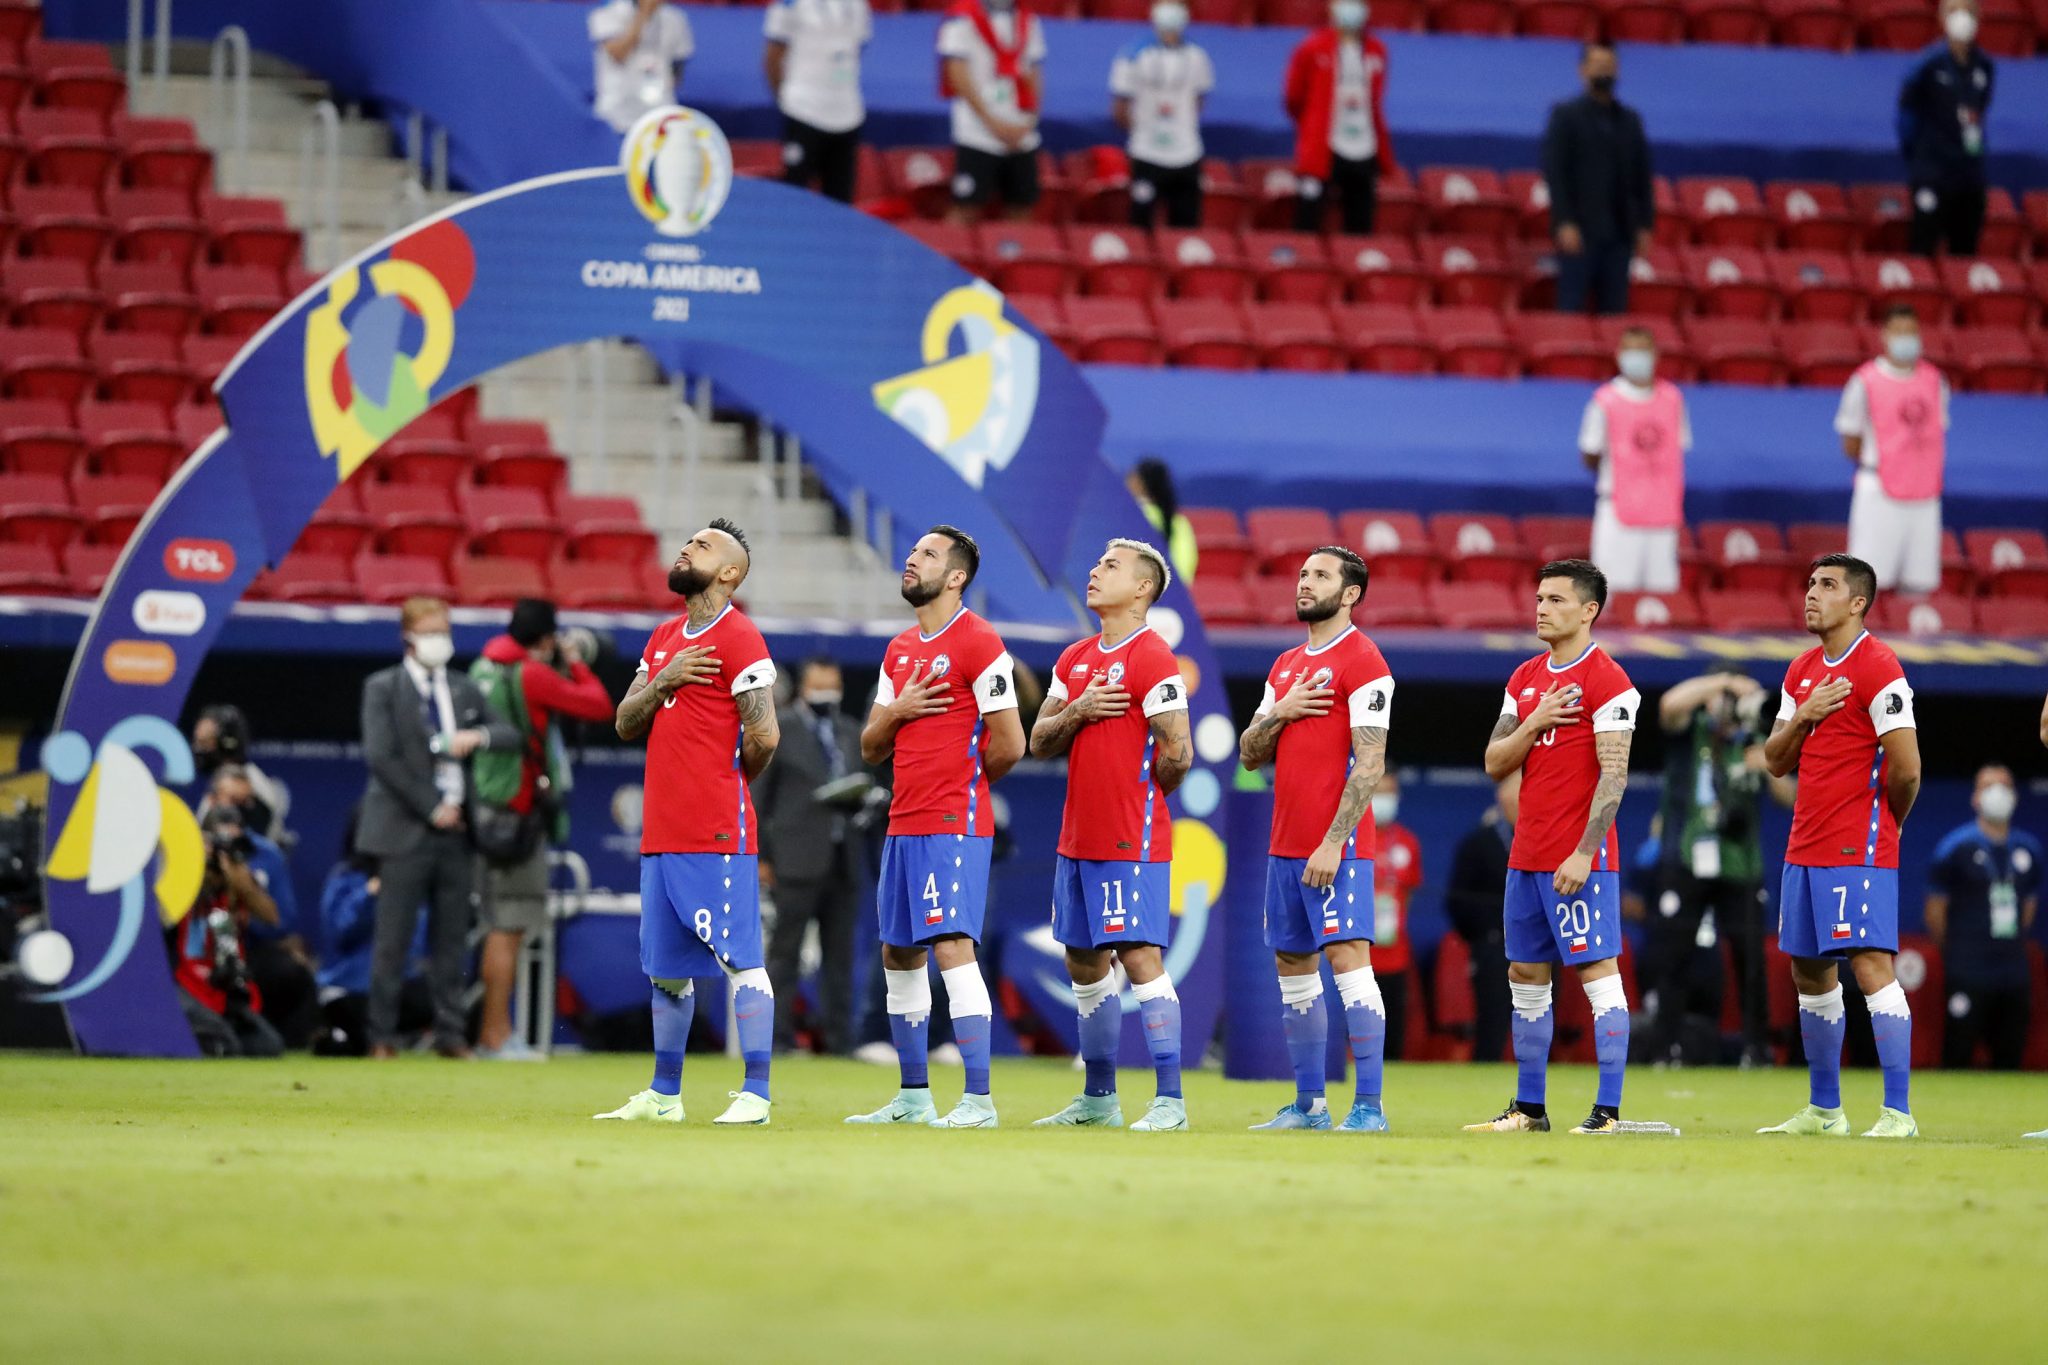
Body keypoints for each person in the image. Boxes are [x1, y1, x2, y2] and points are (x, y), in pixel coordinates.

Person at [596, 523, 782, 1126]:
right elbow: (625, 721)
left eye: (702, 547)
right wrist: (664, 679)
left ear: (730, 573)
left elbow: (765, 734)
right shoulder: (664, 637)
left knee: (740, 961)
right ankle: (665, 1095)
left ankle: (756, 1093)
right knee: (668, 971)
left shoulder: (740, 635)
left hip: (714, 833)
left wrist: (724, 785)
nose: (686, 550)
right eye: (688, 543)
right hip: (661, 833)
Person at [846, 527, 1026, 1127]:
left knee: (952, 946)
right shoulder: (899, 650)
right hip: (902, 822)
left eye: (926, 555)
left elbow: (1010, 743)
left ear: (956, 577)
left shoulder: (979, 643)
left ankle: (977, 1100)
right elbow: (872, 746)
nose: (910, 560)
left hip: (952, 822)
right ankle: (914, 1096)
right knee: (899, 952)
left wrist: (963, 789)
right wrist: (896, 712)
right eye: (912, 551)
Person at [1466, 559, 1639, 1135]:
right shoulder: (1524, 679)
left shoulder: (1608, 680)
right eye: (1539, 598)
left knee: (1596, 972)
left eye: (1557, 600)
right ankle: (1530, 1108)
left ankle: (1607, 1112)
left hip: (1576, 858)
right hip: (1527, 855)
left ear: (1589, 611)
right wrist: (1535, 716)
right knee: (1525, 972)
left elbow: (1614, 777)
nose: (1542, 608)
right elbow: (1494, 762)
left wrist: (1585, 852)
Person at [1029, 539, 1193, 1132]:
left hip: (1129, 837)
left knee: (1140, 955)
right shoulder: (1074, 659)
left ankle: (1170, 1102)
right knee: (1082, 959)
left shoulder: (1152, 657)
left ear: (1143, 589)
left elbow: (1179, 751)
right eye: (1096, 562)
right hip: (1076, 836)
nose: (1095, 571)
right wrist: (1079, 711)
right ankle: (1098, 1099)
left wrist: (1139, 799)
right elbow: (1039, 740)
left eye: (1111, 566)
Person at [1759, 554, 1923, 1139]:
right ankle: (1826, 1111)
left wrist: (1886, 827)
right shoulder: (1801, 669)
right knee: (1808, 972)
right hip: (1803, 844)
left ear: (1858, 602)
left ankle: (1898, 1113)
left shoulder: (1879, 666)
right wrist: (1803, 716)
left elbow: (1906, 770)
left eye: (1827, 586)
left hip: (1857, 846)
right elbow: (1776, 762)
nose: (1811, 594)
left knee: (1871, 965)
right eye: (1809, 584)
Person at [1238, 546, 1395, 1132]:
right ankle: (1309, 1105)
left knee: (1348, 959)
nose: (1305, 583)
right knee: (1292, 961)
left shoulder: (1365, 661)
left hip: (1337, 845)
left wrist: (1333, 841)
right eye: (1303, 574)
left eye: (1321, 575)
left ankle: (1369, 1107)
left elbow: (1371, 763)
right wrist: (1281, 711)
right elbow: (1251, 754)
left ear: (1350, 593)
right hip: (1284, 844)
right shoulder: (1284, 666)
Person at [357, 598, 517, 1061]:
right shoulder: (382, 688)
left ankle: (450, 1034)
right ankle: (381, 1036)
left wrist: (478, 737)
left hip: (457, 834)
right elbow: (382, 757)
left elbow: (506, 733)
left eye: (443, 630)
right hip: (404, 830)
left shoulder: (464, 689)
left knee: (450, 941)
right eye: (430, 631)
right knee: (393, 940)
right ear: (408, 636)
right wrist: (432, 808)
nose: (438, 639)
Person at [469, 599, 614, 1060]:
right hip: (519, 814)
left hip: (489, 810)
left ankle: (494, 1033)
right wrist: (573, 663)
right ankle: (496, 1036)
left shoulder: (483, 667)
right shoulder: (529, 674)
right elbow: (597, 705)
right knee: (508, 928)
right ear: (547, 638)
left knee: (499, 924)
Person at [1651, 668, 1795, 1067]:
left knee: (1750, 959)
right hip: (1687, 858)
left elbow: (1791, 796)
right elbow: (1668, 705)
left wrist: (1766, 765)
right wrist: (1724, 683)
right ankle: (1666, 1047)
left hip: (1741, 866)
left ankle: (1756, 1048)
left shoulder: (1755, 739)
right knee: (1675, 957)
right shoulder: (1693, 729)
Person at [756, 656, 869, 1058]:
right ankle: (776, 1039)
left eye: (833, 688)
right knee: (784, 954)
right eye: (820, 687)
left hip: (844, 858)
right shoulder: (779, 729)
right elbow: (759, 799)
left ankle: (839, 1042)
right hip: (793, 859)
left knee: (840, 957)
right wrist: (762, 858)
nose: (827, 696)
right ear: (804, 688)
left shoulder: (850, 730)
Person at [1926, 764, 2037, 1071]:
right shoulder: (1955, 848)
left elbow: (2028, 907)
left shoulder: (2028, 849)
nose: (1997, 793)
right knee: (1958, 1052)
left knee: (2010, 1058)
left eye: (2004, 785)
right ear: (1975, 797)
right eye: (1988, 786)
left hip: (2013, 971)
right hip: (1967, 967)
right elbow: (1935, 910)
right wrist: (1955, 952)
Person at [1836, 305, 1949, 598]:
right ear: (1884, 335)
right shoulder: (1865, 381)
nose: (1906, 338)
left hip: (1925, 494)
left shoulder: (1936, 382)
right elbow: (1851, 440)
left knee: (1919, 582)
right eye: (1899, 332)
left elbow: (1938, 432)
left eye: (1911, 332)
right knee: (1867, 580)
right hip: (1880, 490)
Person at [207, 764, 317, 1049]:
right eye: (230, 800)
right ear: (212, 800)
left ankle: (291, 1044)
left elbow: (283, 922)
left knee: (292, 970)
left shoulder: (264, 854)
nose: (238, 810)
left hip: (249, 951)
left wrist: (243, 886)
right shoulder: (186, 847)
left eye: (245, 802)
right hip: (198, 953)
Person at [1542, 42, 1654, 315]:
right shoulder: (1566, 116)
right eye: (1597, 66)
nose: (1604, 72)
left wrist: (1644, 225)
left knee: (1615, 313)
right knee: (1571, 309)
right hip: (1580, 232)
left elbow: (1643, 175)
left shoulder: (1630, 120)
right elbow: (1556, 172)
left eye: (1609, 66)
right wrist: (1564, 222)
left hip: (1620, 235)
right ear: (1583, 71)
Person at [313, 815, 433, 1057]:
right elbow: (340, 935)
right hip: (350, 988)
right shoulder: (344, 878)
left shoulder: (409, 881)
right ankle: (345, 1036)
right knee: (351, 1026)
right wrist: (369, 895)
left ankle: (374, 1038)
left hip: (396, 987)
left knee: (429, 1001)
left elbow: (416, 943)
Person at [1582, 325, 1690, 594]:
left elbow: (1678, 449)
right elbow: (1590, 453)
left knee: (1662, 600)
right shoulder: (1605, 401)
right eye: (1630, 350)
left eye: (1642, 350)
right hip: (1619, 513)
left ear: (1655, 354)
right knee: (1614, 597)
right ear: (1619, 354)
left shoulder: (1673, 399)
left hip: (1662, 516)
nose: (1637, 357)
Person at [170, 805, 284, 1058]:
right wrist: (198, 861)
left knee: (267, 1047)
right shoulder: (185, 875)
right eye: (220, 842)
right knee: (222, 1043)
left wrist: (239, 879)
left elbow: (272, 917)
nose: (226, 850)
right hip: (187, 982)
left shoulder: (237, 881)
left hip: (223, 984)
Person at [1282, 0, 1394, 235]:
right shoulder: (1311, 48)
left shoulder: (1377, 50)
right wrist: (1314, 125)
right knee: (1308, 219)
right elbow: (1294, 98)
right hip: (1324, 147)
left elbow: (1375, 100)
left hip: (1364, 147)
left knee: (1361, 224)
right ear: (1332, 7)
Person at [1898, 0, 1994, 258]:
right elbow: (1906, 116)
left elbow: (1979, 111)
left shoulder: (1984, 66)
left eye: (1968, 11)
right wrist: (1920, 158)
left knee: (1965, 254)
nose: (1962, 18)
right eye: (1954, 11)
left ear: (1979, 16)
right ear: (1941, 17)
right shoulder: (1926, 66)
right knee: (1923, 248)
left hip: (1969, 176)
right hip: (1933, 173)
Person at [938, 0, 1045, 224]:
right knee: (967, 208)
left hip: (1020, 134)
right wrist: (991, 122)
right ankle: (949, 257)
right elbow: (956, 75)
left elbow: (1034, 70)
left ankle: (1018, 259)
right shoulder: (960, 18)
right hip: (978, 135)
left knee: (1022, 208)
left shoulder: (1027, 19)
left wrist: (1030, 120)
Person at [1109, 3, 1213, 231]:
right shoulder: (1132, 55)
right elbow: (1119, 108)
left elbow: (1199, 100)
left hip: (1186, 154)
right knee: (1140, 226)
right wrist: (1143, 132)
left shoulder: (1197, 56)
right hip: (1147, 154)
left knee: (1185, 228)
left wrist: (1181, 128)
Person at [763, 0, 871, 204]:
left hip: (847, 111)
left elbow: (858, 47)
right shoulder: (789, 4)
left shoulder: (858, 4)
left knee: (841, 202)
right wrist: (787, 99)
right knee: (794, 197)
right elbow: (772, 56)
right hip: (804, 109)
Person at [1446, 772, 1518, 1064]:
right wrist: (1488, 931)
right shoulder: (1479, 843)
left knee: (1541, 1019)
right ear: (1503, 796)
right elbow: (1457, 901)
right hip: (1493, 948)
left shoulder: (1545, 840)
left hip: (1540, 946)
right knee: (1493, 1023)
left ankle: (1539, 1090)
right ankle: (1484, 1084)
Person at [1368, 770, 1420, 1062]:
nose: (1383, 800)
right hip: (1358, 956)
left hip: (1395, 953)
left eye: (1389, 793)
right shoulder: (1350, 837)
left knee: (1393, 1032)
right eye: (1378, 792)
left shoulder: (1407, 842)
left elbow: (1408, 894)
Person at [590, 0, 694, 134]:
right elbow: (618, 54)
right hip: (615, 116)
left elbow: (678, 68)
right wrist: (644, 14)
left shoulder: (676, 18)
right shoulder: (608, 14)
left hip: (658, 117)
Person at [191, 703, 287, 840]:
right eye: (198, 741)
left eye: (205, 742)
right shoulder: (219, 779)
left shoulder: (250, 782)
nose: (198, 749)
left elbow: (254, 844)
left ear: (227, 742)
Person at [1126, 456, 1197, 585]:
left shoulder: (1130, 518)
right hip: (1173, 599)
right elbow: (1185, 571)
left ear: (1138, 483)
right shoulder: (1180, 522)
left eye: (1130, 478)